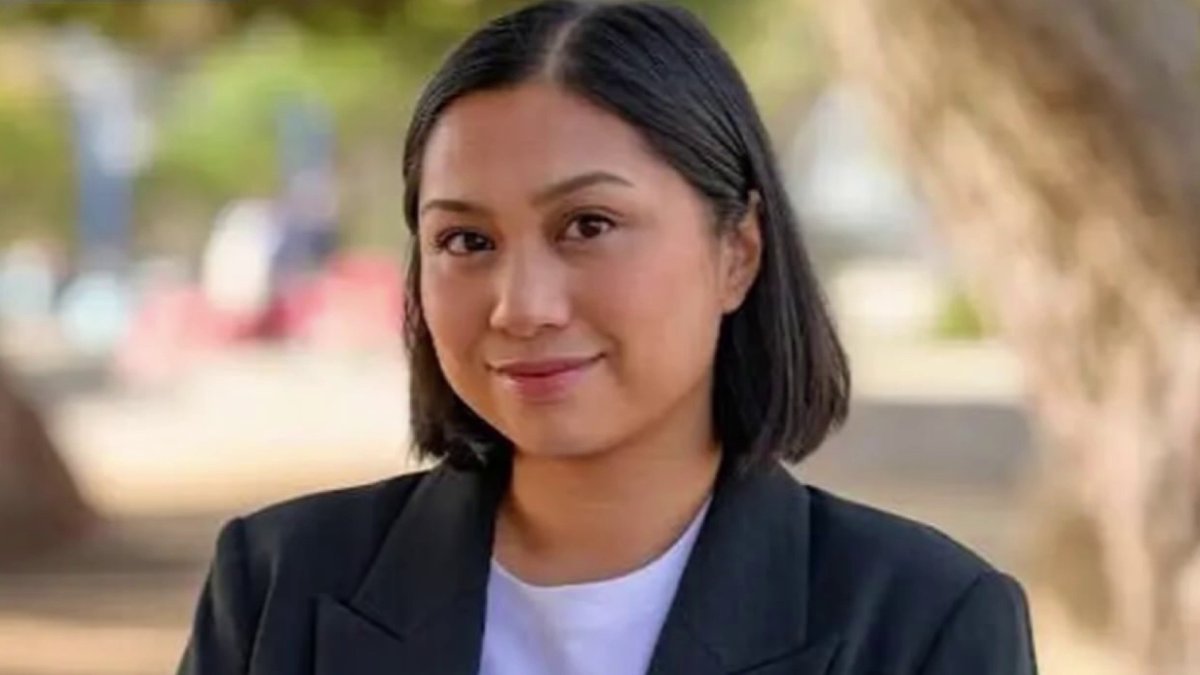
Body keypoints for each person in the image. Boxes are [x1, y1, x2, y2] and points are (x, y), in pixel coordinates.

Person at [178, 2, 1038, 673]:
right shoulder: (281, 583)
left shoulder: (922, 618)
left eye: (587, 224)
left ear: (737, 251)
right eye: (465, 241)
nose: (522, 306)